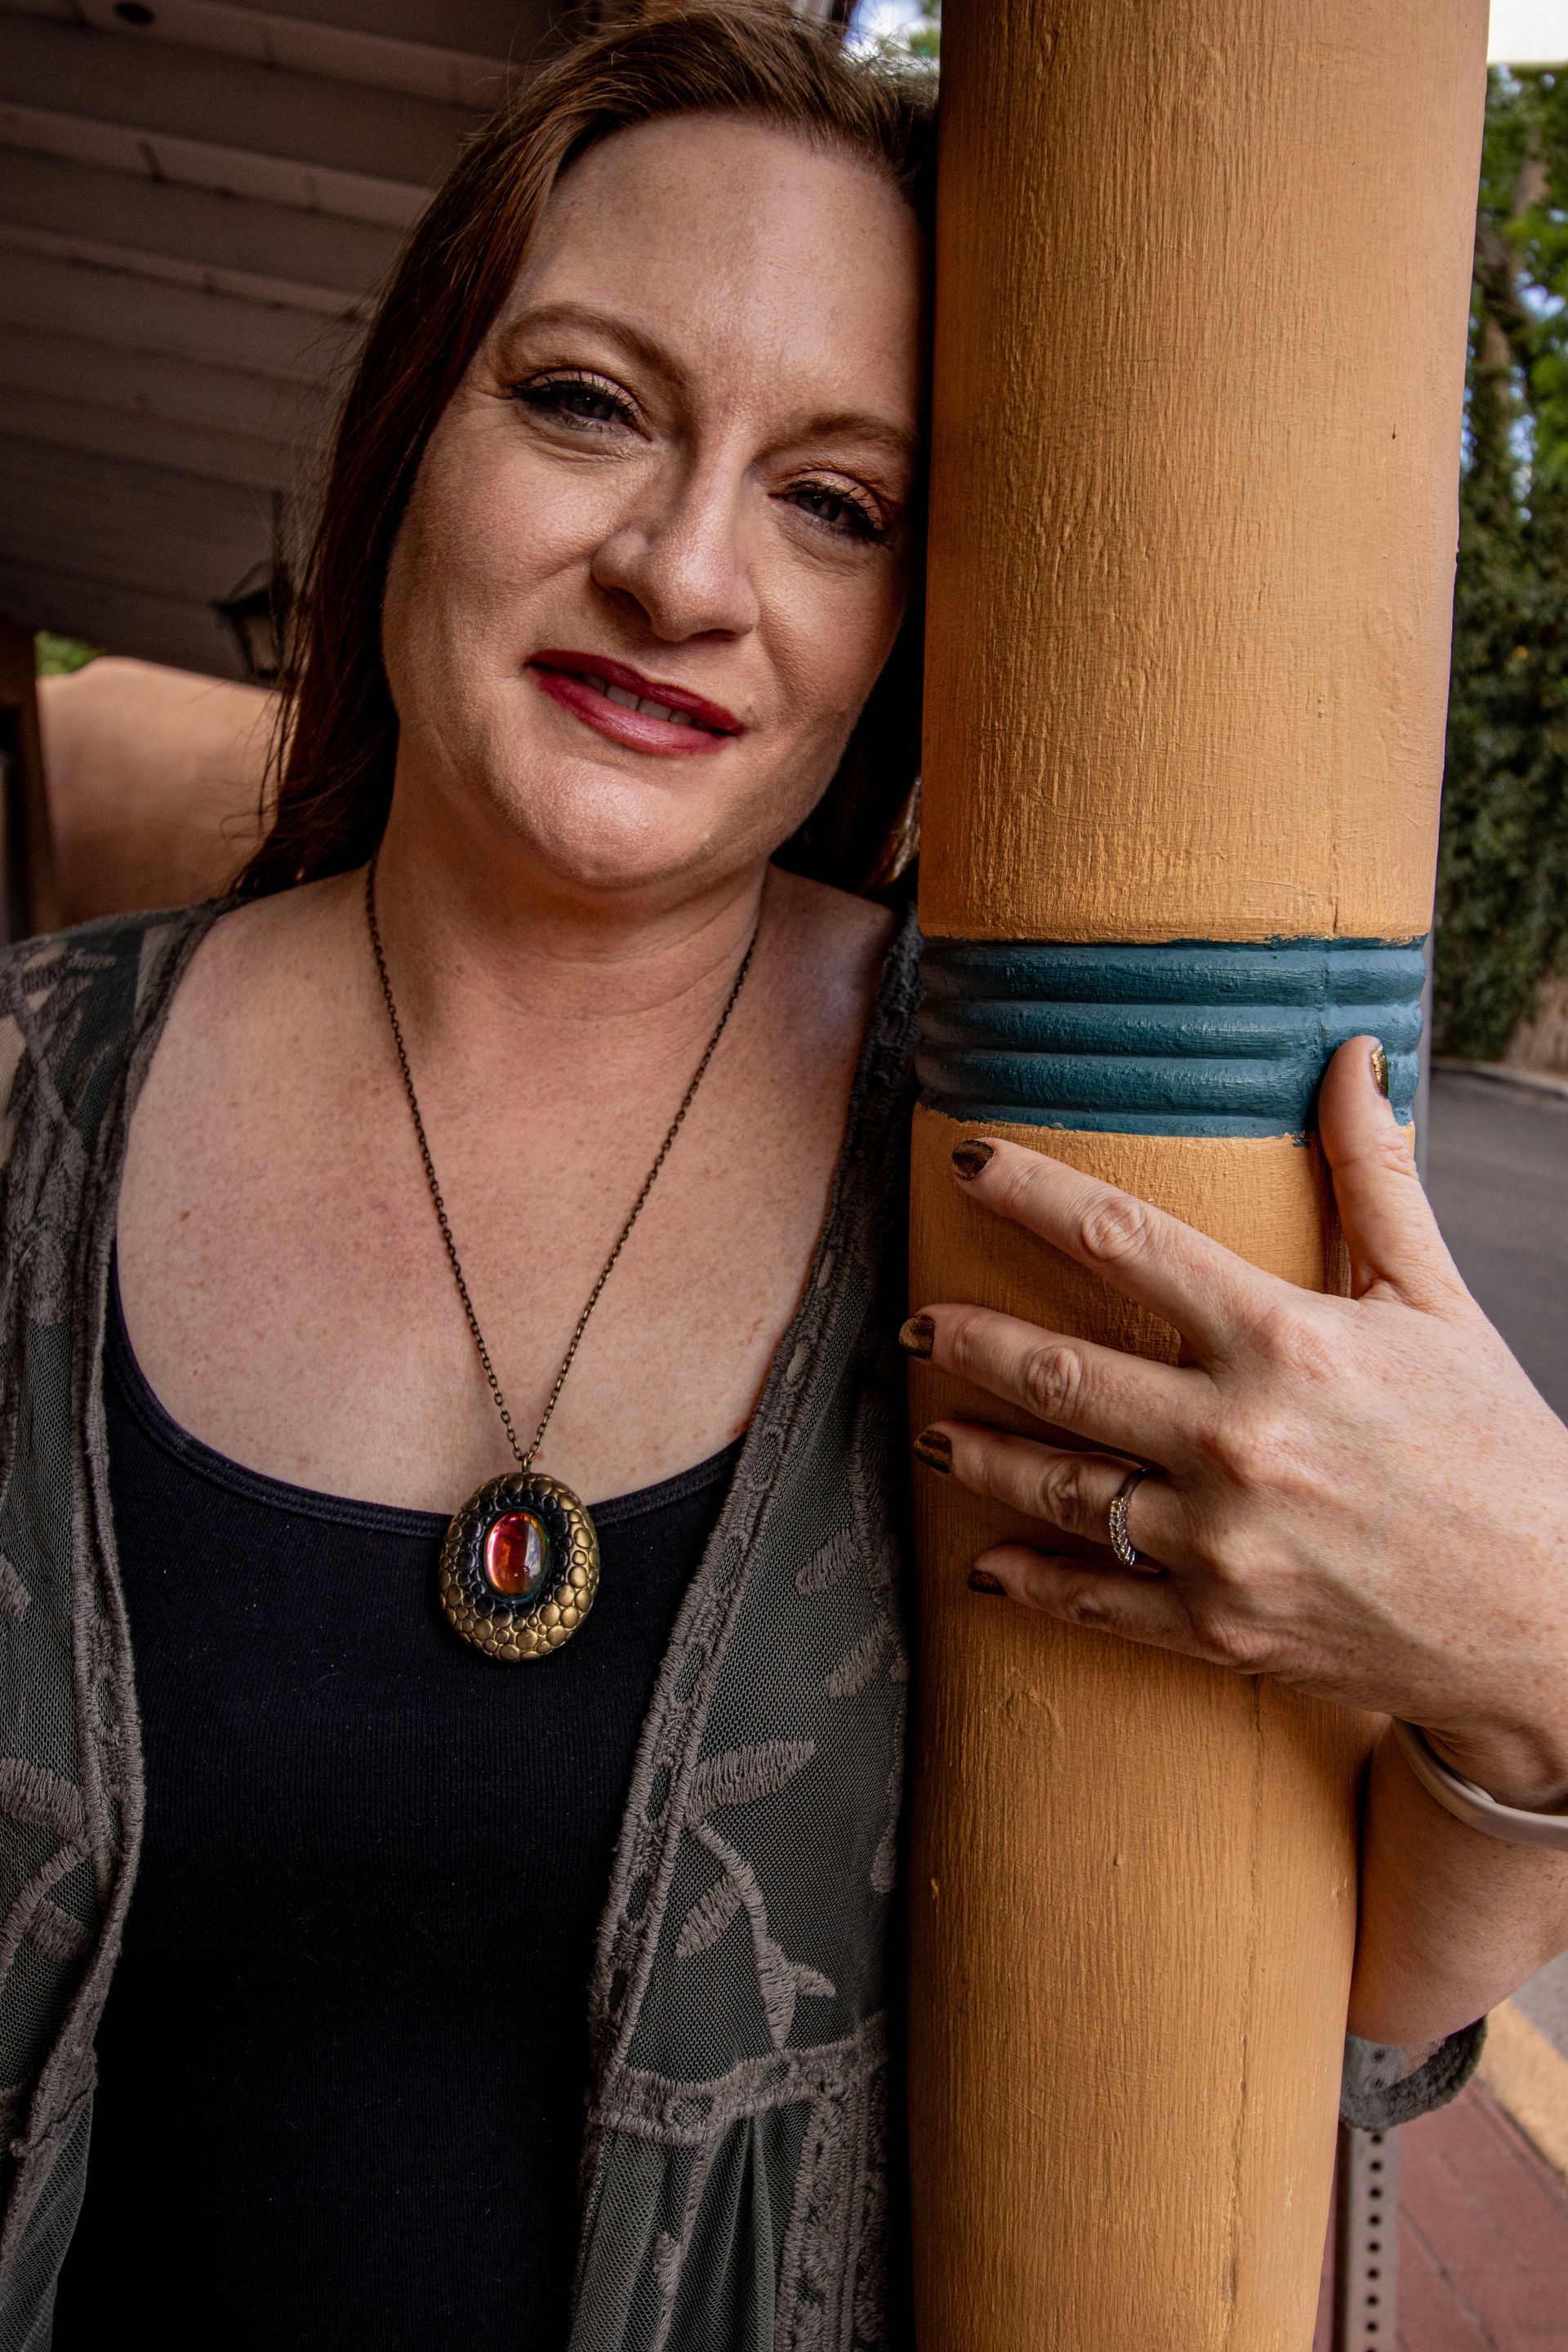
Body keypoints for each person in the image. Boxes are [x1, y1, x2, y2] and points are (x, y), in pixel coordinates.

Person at [0, 5, 1561, 2345]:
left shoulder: (1042, 1165)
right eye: (588, 401)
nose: (684, 568)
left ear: (916, 624)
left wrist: (1536, 1632)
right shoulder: (26, 1098)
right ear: (409, 429)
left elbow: (1318, 2027)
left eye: (837, 500)